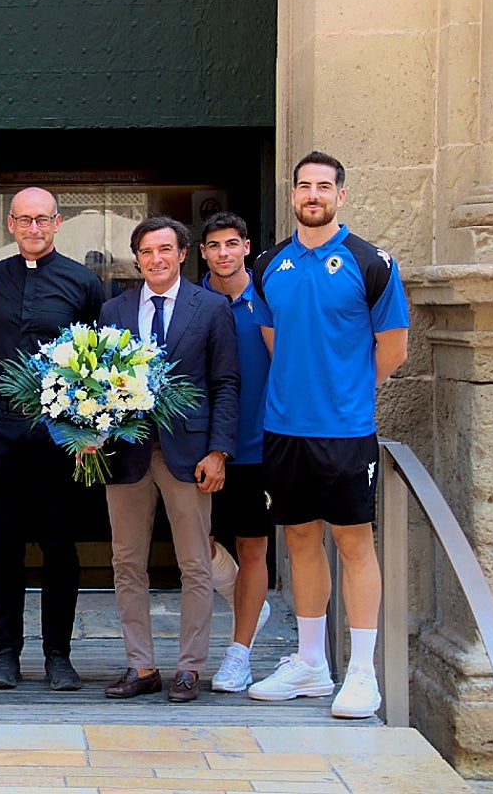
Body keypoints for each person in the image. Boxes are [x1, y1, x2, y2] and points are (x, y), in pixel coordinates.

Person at [247, 152, 409, 719]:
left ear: (341, 195)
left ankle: (362, 672)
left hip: (344, 430)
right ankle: (311, 663)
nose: (312, 194)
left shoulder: (372, 264)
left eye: (323, 186)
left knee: (353, 542)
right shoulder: (269, 264)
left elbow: (393, 349)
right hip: (284, 427)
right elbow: (273, 338)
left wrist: (344, 391)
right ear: (292, 195)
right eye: (303, 186)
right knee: (297, 541)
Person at [100, 215, 239, 703]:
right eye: (145, 252)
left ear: (183, 254)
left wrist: (219, 451)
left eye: (165, 250)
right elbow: (97, 384)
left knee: (194, 562)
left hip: (190, 452)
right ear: (135, 258)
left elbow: (225, 382)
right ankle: (141, 666)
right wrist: (89, 432)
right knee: (126, 561)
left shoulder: (212, 307)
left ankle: (189, 668)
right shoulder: (112, 310)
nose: (155, 260)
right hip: (128, 453)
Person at [0, 187, 105, 691]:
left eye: (43, 220)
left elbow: (96, 351)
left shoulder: (83, 282)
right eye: (24, 220)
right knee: (3, 541)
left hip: (60, 430)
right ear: (10, 224)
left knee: (59, 541)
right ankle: (5, 652)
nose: (33, 229)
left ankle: (58, 654)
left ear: (58, 223)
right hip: (3, 424)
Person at [196, 211, 273, 692]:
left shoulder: (267, 301)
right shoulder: (192, 302)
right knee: (195, 546)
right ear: (201, 252)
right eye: (214, 245)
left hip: (258, 446)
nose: (223, 253)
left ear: (246, 247)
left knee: (253, 547)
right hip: (200, 449)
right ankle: (245, 597)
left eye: (232, 243)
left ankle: (239, 653)